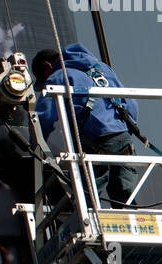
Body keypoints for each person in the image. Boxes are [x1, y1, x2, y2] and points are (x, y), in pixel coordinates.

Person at [32, 44, 140, 207]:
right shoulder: (103, 68)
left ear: (47, 67)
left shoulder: (59, 76)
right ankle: (132, 227)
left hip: (95, 141)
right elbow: (131, 103)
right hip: (124, 139)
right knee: (125, 198)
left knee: (89, 200)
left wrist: (35, 146)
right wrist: (122, 129)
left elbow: (43, 119)